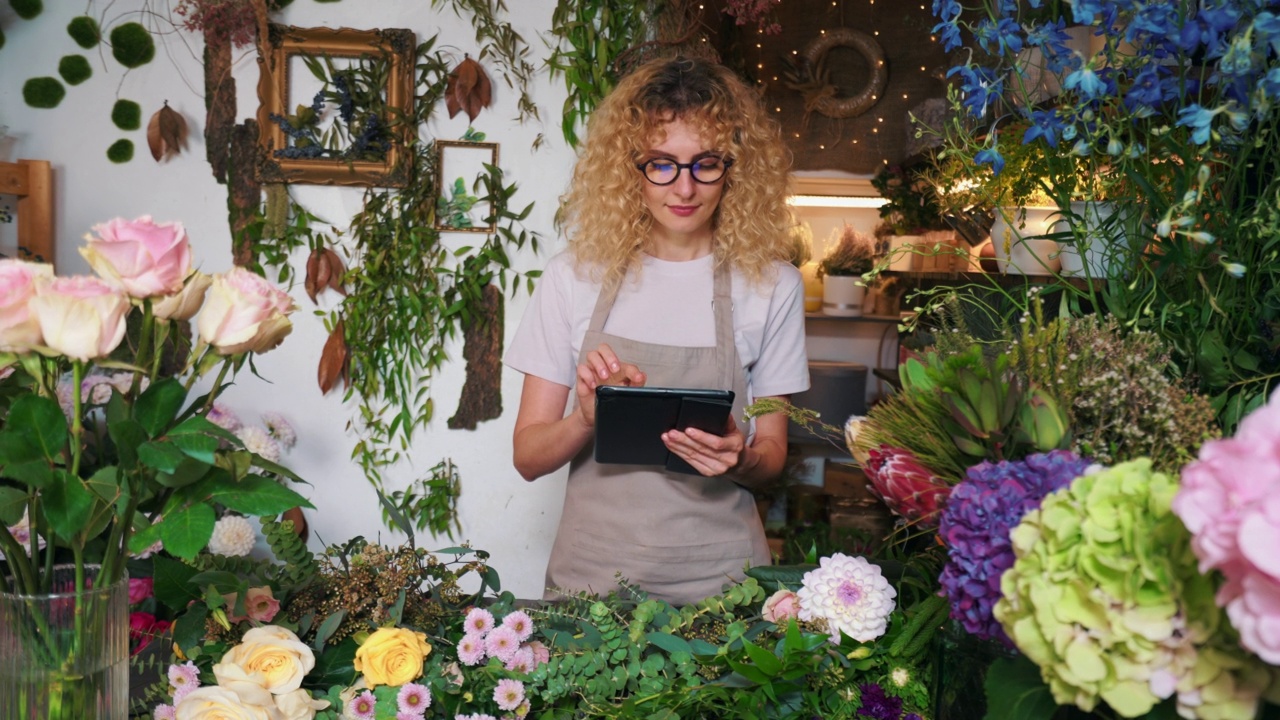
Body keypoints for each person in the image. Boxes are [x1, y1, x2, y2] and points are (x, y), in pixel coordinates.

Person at [505, 55, 809, 605]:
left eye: (706, 163)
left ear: (734, 167)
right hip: (592, 581)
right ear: (630, 168)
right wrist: (586, 418)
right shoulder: (572, 278)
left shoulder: (772, 286)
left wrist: (741, 458)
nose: (685, 188)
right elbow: (528, 457)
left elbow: (772, 457)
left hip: (724, 584)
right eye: (662, 164)